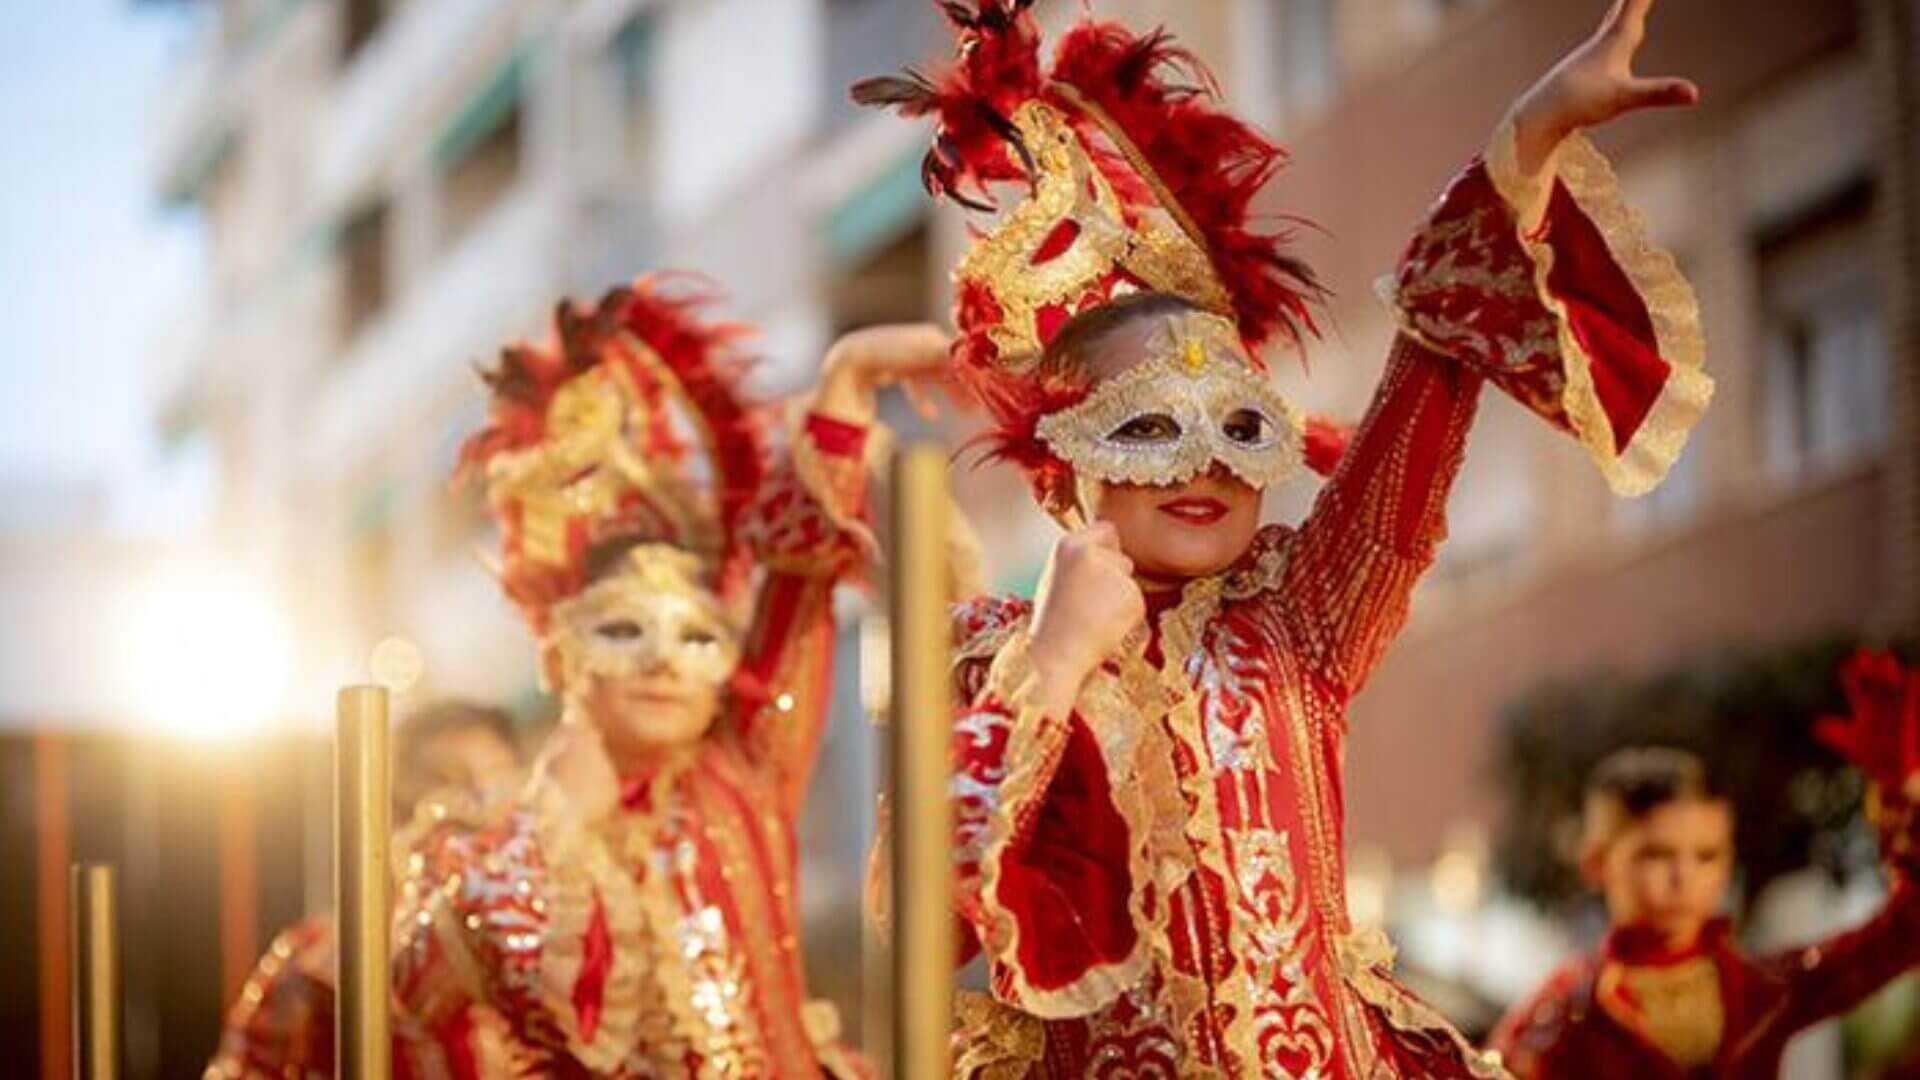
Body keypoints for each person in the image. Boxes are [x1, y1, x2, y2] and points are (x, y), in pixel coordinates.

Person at [854, 0, 1711, 1074]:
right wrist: (1054, 667)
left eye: (1239, 429)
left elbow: (1429, 379)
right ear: (1068, 459)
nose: (1205, 465)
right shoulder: (988, 656)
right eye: (1154, 428)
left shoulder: (1300, 620)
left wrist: (1527, 142)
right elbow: (919, 910)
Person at [387, 277, 947, 1078]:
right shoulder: (490, 833)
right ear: (561, 656)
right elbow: (418, 986)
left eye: (696, 637)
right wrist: (554, 816)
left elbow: (799, 573)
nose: (661, 661)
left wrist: (846, 383)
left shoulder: (744, 766)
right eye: (623, 630)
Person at [1490, 651, 1920, 1077]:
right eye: (1656, 855)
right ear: (1597, 862)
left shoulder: (1759, 988)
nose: (1684, 877)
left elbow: (1895, 938)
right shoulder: (1564, 1014)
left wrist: (1906, 814)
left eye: (1706, 855)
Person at [203, 700, 523, 1080]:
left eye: (494, 786)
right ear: (390, 813)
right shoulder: (313, 964)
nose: (470, 818)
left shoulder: (554, 962)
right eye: (444, 788)